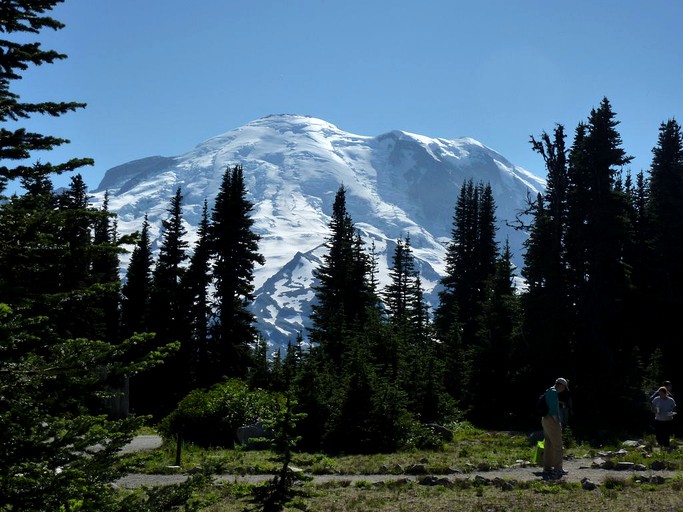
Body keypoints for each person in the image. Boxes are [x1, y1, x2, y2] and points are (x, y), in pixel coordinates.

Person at [541, 378, 569, 479]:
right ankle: (558, 469)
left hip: (545, 420)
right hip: (552, 420)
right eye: (564, 387)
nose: (564, 390)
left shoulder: (548, 390)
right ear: (561, 385)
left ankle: (547, 468)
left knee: (548, 444)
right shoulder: (553, 393)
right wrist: (557, 422)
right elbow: (553, 410)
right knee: (558, 446)